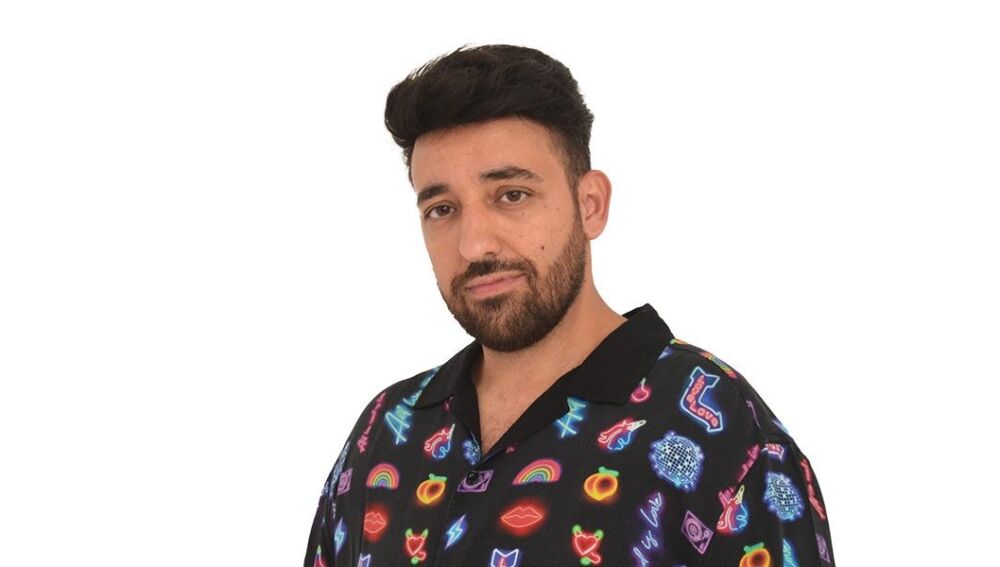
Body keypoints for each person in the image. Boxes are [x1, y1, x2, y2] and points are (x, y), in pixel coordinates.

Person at [304, 44, 835, 567]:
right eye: (442, 209)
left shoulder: (722, 432)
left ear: (591, 205)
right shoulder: (385, 432)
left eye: (511, 195)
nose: (474, 245)